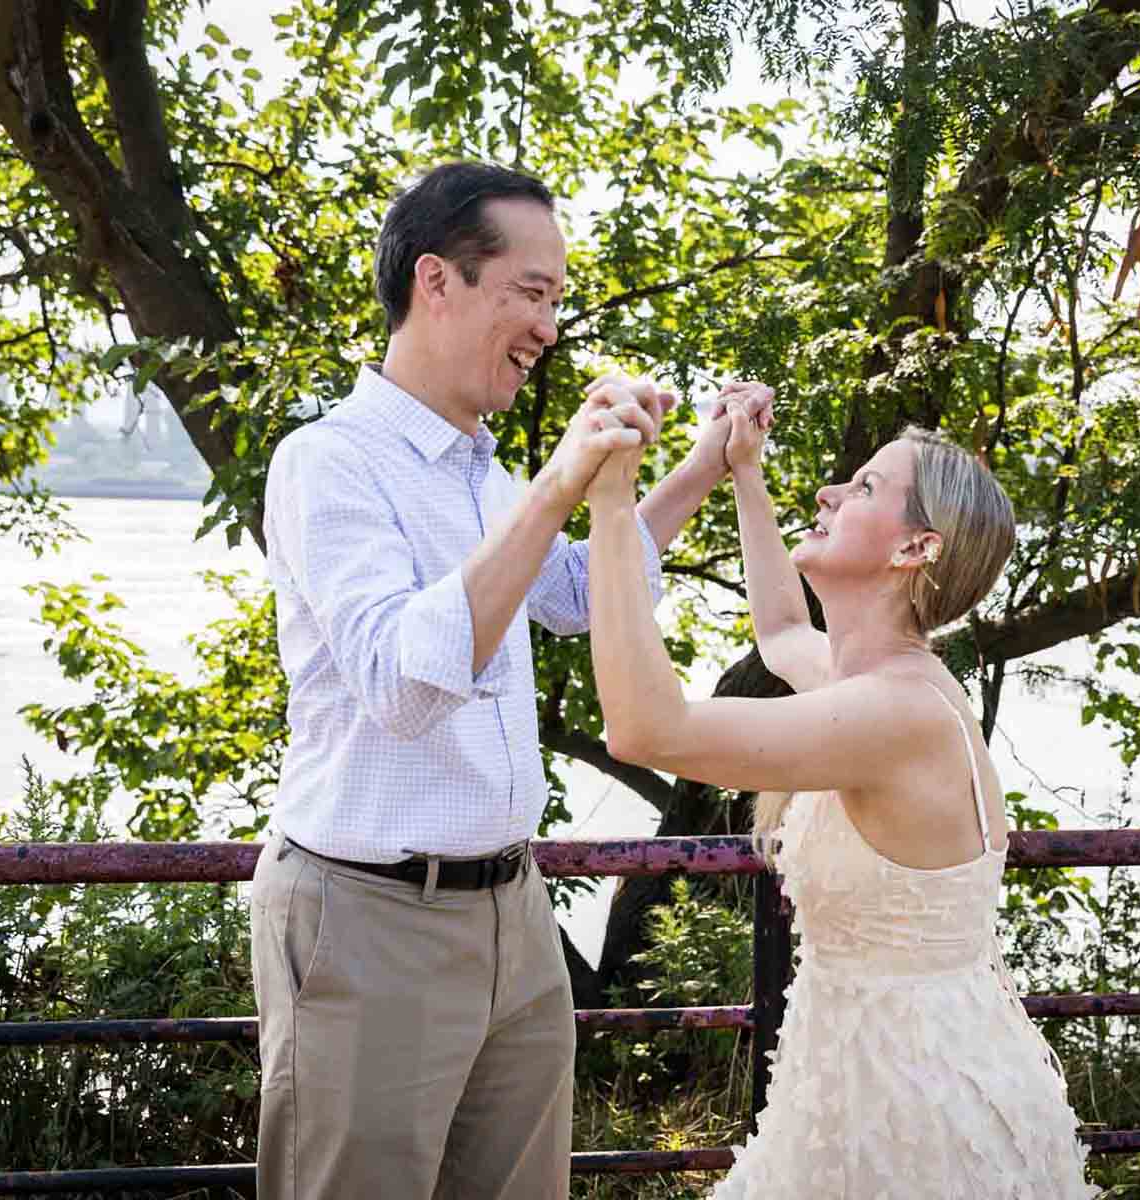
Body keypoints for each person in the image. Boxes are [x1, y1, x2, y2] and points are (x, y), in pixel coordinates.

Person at [249, 162, 770, 1200]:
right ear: (435, 281)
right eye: (530, 293)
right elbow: (402, 685)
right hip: (369, 916)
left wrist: (706, 461)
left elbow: (576, 592)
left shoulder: (477, 470)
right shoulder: (328, 462)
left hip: (514, 912)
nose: (549, 326)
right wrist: (559, 481)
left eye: (558, 299)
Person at [584, 381, 1096, 1198]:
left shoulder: (896, 714)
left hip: (923, 1115)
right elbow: (784, 632)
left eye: (864, 488)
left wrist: (613, 510)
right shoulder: (872, 682)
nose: (827, 492)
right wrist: (744, 474)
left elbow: (645, 729)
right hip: (844, 1093)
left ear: (915, 549)